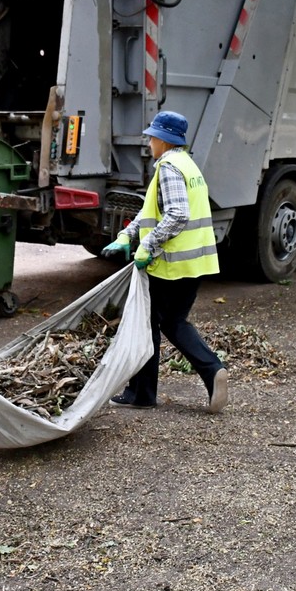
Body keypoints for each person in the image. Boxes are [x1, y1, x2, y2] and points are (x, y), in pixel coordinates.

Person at [103, 110, 229, 413]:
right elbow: (154, 212)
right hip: (194, 262)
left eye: (151, 137)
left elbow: (177, 213)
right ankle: (213, 371)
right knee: (173, 322)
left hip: (170, 264)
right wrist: (126, 235)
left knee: (147, 324)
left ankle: (142, 394)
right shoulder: (187, 164)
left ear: (162, 139)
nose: (148, 142)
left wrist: (147, 245)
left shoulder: (168, 168)